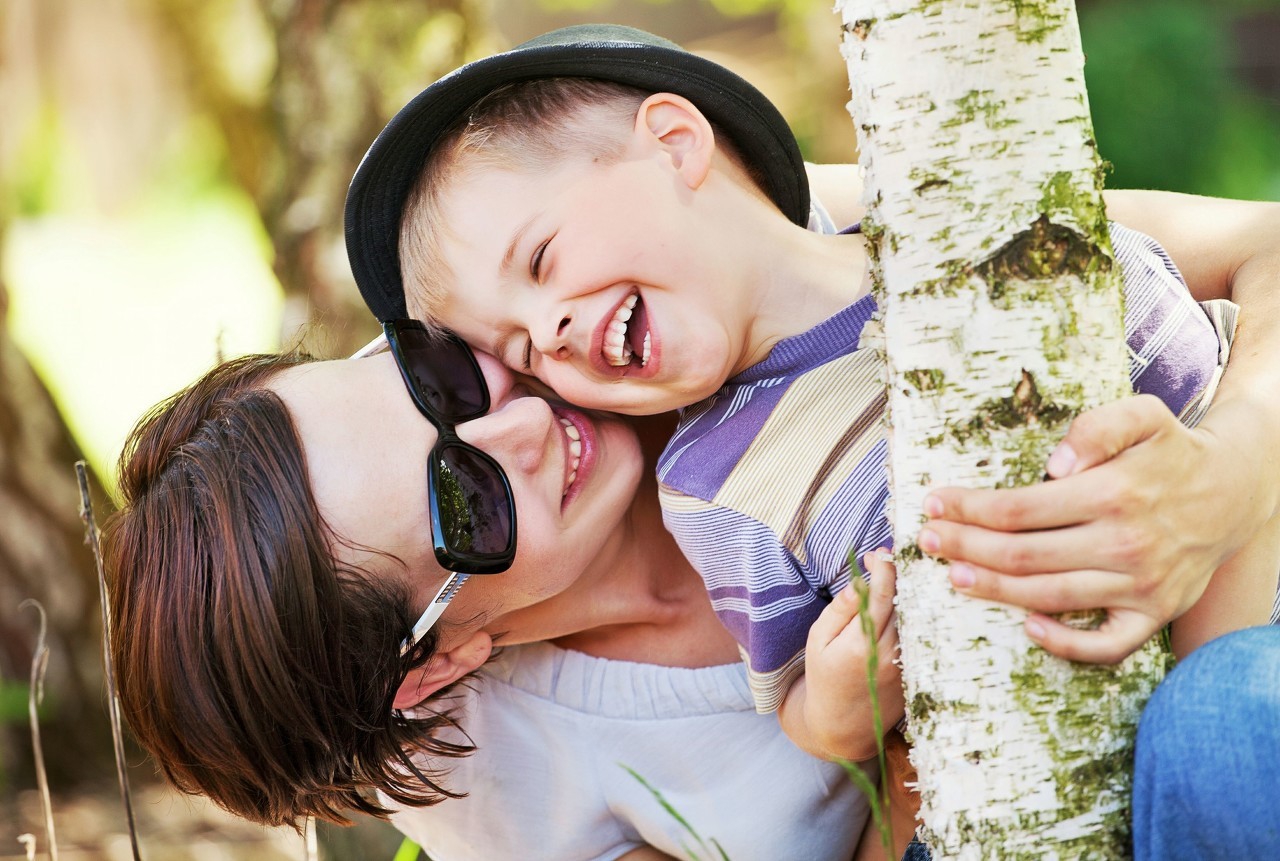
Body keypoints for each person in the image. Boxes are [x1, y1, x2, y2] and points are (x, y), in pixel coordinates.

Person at [341, 23, 1266, 763]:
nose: (548, 336)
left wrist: (1235, 458)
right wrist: (838, 701)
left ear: (674, 142)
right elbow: (790, 698)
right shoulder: (717, 483)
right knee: (1216, 737)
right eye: (518, 348)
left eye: (541, 260)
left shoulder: (959, 207)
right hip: (1169, 720)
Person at [105, 344, 879, 860]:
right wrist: (881, 741)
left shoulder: (624, 299)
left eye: (434, 379)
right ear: (429, 669)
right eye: (465, 498)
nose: (527, 420)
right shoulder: (504, 783)